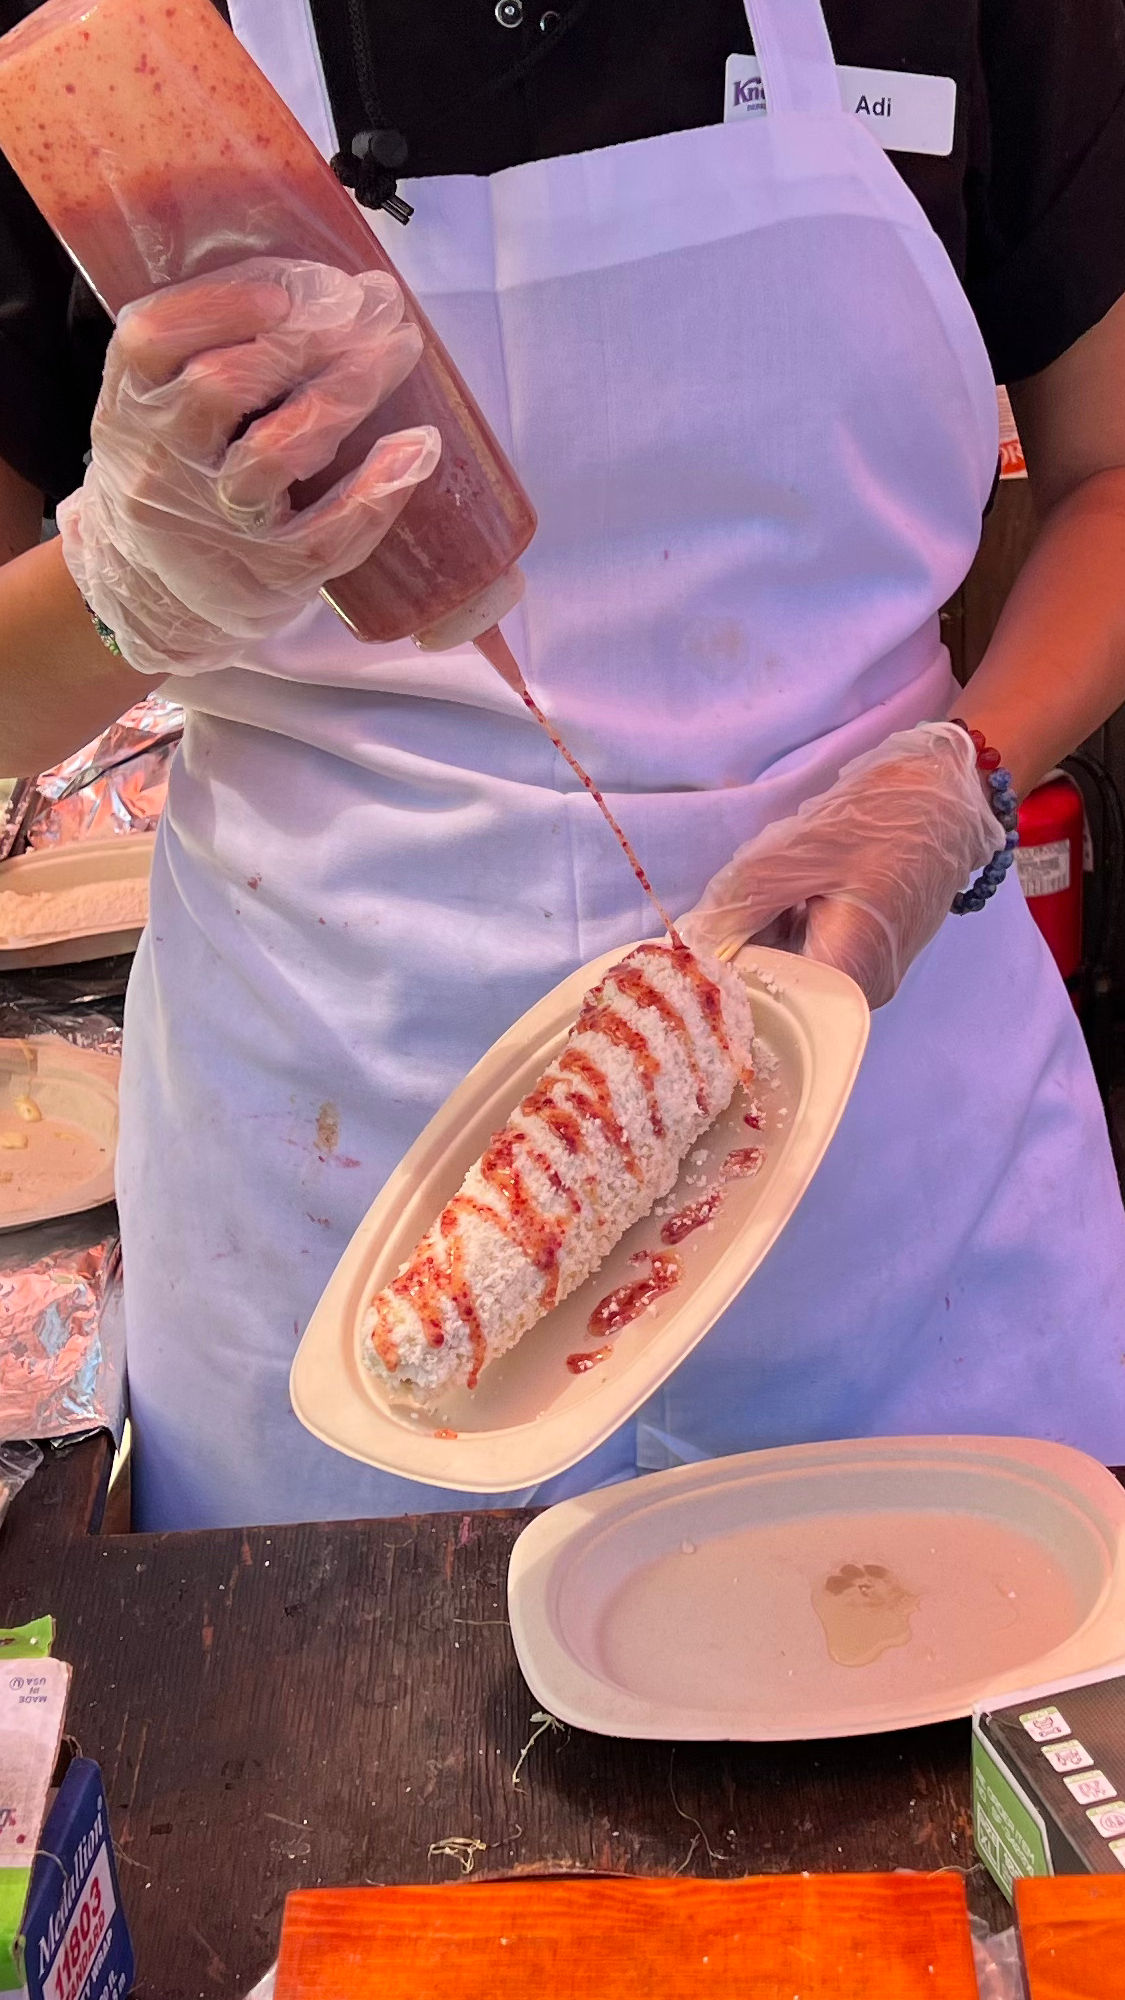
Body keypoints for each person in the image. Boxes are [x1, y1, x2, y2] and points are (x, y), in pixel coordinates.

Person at [2, 0, 1125, 1530]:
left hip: (885, 1086)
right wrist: (124, 577)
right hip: (341, 1163)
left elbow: (1109, 475)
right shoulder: (77, 46)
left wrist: (967, 765)